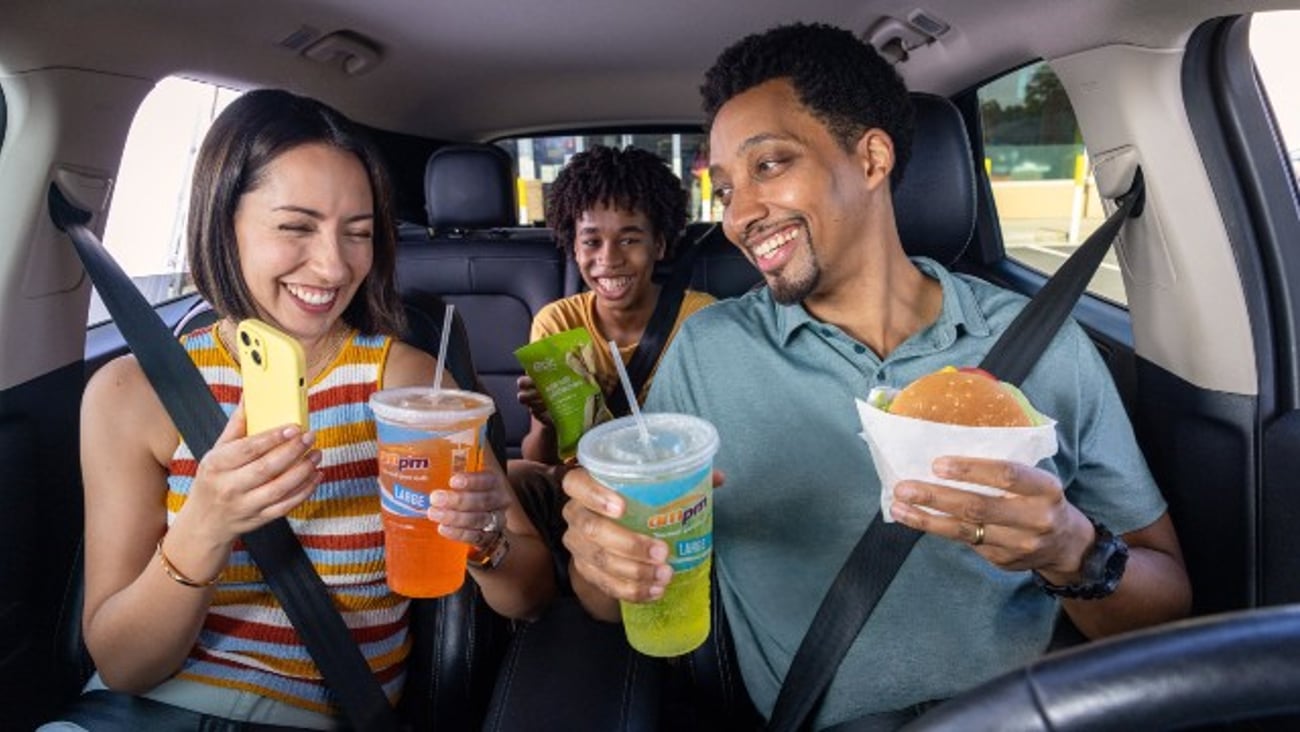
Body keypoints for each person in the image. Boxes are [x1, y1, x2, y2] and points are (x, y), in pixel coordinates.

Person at [559, 23, 1192, 730]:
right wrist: (597, 558)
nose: (737, 216)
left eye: (768, 165)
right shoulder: (708, 353)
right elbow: (611, 595)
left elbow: (1168, 604)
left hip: (1031, 714)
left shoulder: (1042, 344)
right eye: (725, 186)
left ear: (871, 157)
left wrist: (1071, 550)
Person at [58, 89, 554, 728]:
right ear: (222, 221)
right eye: (295, 226)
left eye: (359, 233)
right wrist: (206, 523)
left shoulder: (403, 381)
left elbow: (533, 594)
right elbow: (123, 665)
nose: (332, 266)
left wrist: (484, 543)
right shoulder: (132, 393)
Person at [516, 145, 715, 465]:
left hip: (672, 486)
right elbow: (541, 462)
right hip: (583, 487)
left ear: (659, 245)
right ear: (574, 248)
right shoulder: (558, 323)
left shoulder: (700, 320)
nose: (608, 260)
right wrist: (547, 422)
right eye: (591, 242)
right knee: (520, 475)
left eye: (629, 240)